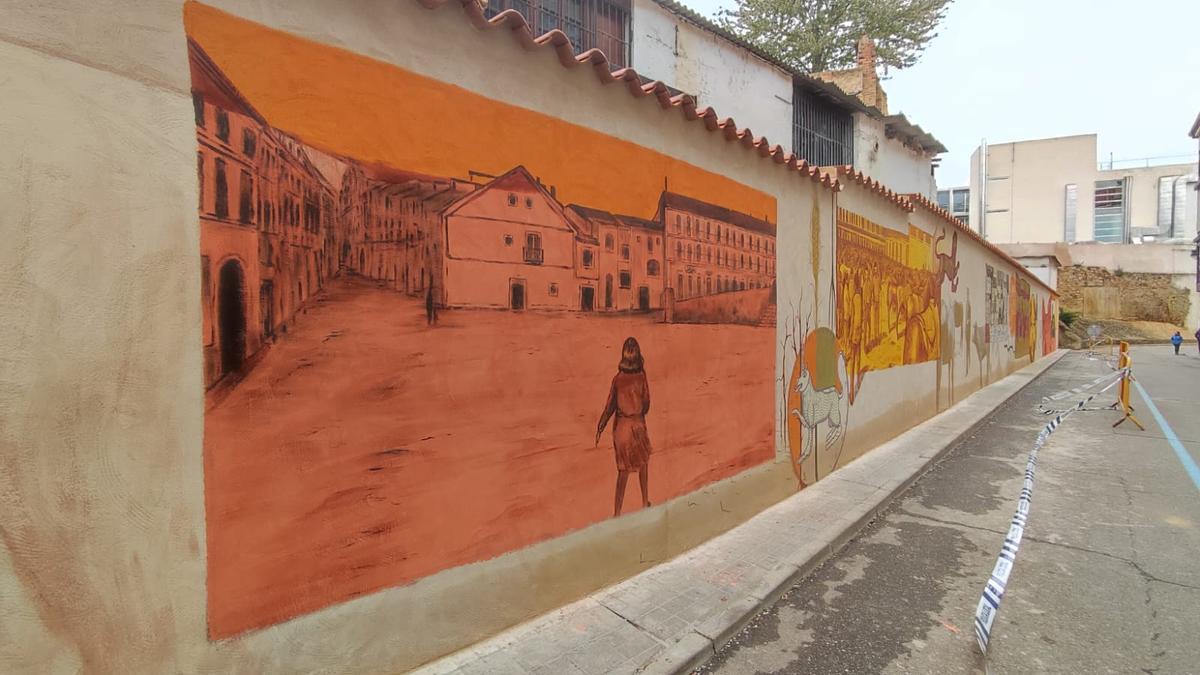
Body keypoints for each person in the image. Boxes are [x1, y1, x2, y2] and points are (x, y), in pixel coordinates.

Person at [595, 337, 652, 517]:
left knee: (623, 471)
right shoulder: (642, 377)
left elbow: (610, 406)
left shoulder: (618, 379)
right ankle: (644, 502)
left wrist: (601, 425)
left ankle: (617, 513)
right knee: (643, 463)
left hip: (621, 428)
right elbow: (647, 404)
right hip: (638, 424)